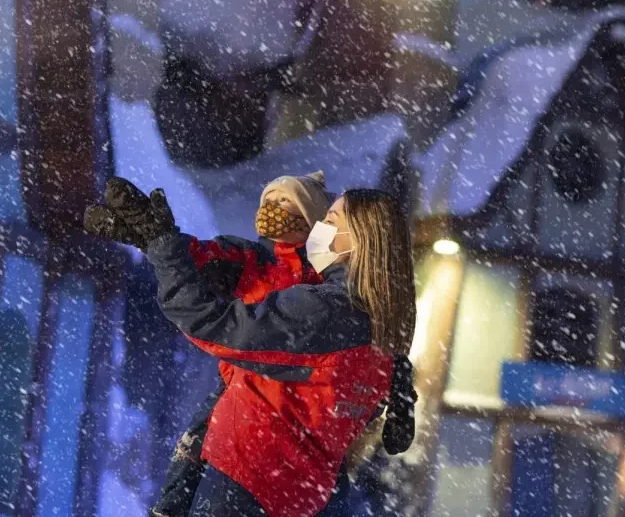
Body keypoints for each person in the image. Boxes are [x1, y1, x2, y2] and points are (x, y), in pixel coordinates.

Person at [87, 184, 418, 517]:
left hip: (249, 475)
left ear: (360, 238)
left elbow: (212, 325)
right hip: (300, 493)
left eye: (331, 219)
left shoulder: (327, 310)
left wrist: (161, 244)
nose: (320, 228)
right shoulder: (381, 328)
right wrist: (161, 243)